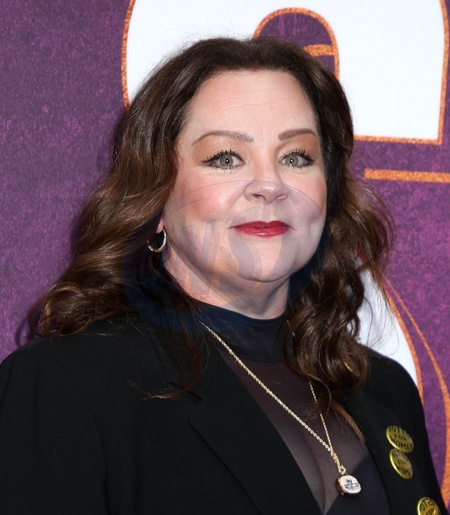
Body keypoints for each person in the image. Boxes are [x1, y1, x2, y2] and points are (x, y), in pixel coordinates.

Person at [0, 37, 446, 515]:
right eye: (226, 158)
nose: (270, 185)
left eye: (296, 157)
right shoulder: (64, 385)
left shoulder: (384, 388)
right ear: (156, 197)